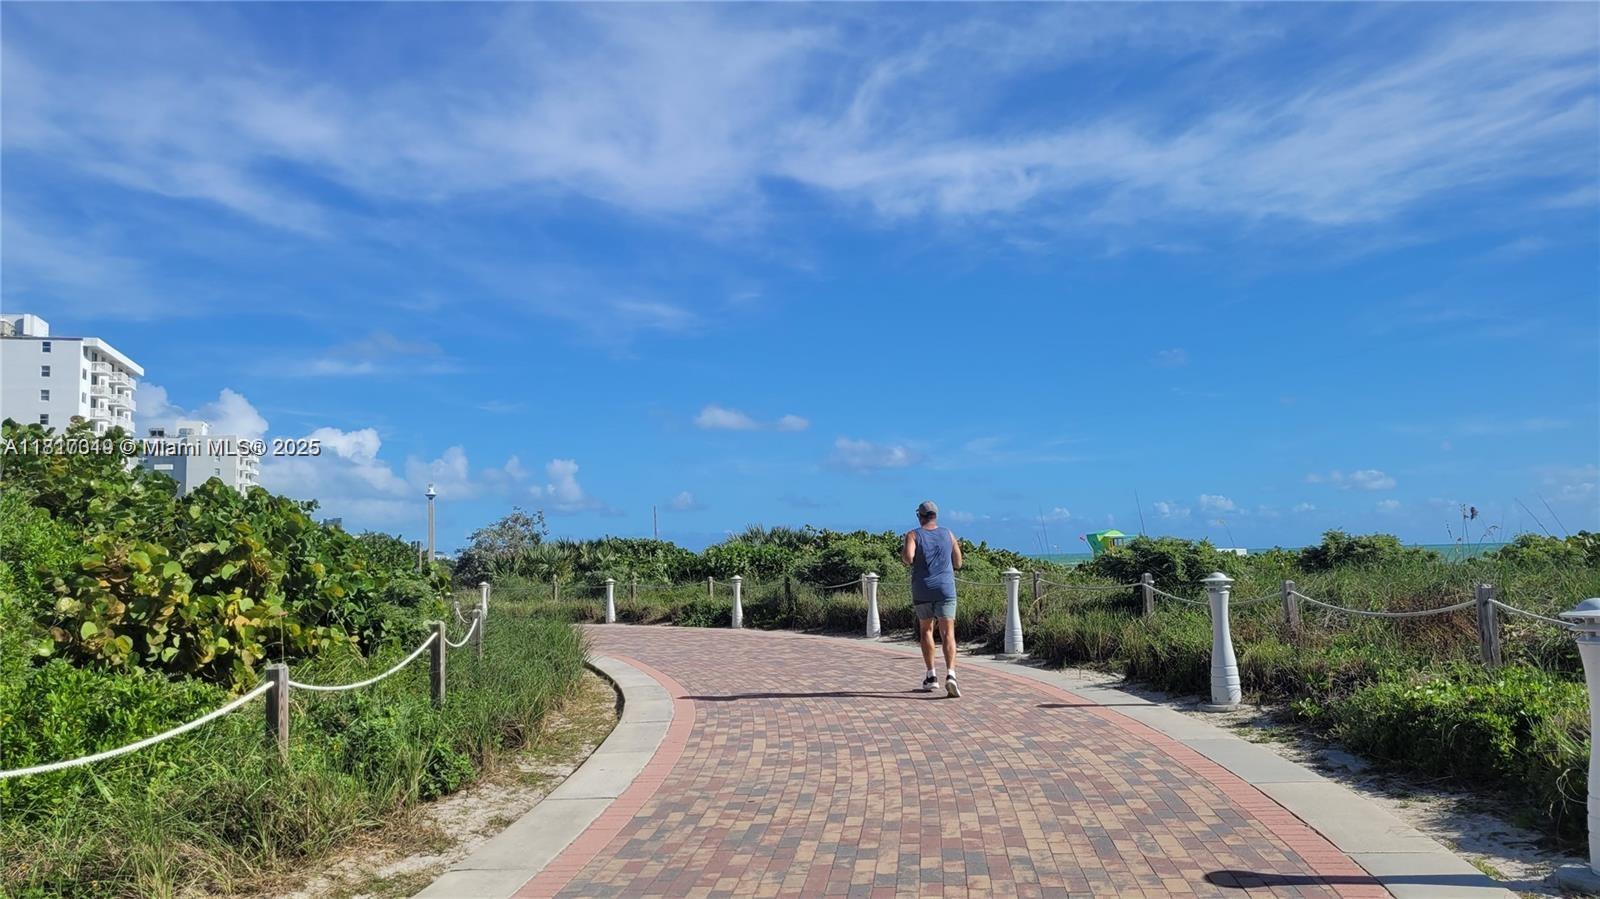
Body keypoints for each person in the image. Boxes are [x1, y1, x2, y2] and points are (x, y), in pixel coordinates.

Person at [902, 500, 963, 697]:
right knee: (948, 633)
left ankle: (931, 676)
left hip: (923, 589)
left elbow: (908, 558)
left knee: (926, 630)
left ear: (920, 516)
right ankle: (951, 674)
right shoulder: (948, 534)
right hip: (946, 589)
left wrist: (908, 553)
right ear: (935, 515)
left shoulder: (913, 534)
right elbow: (958, 562)